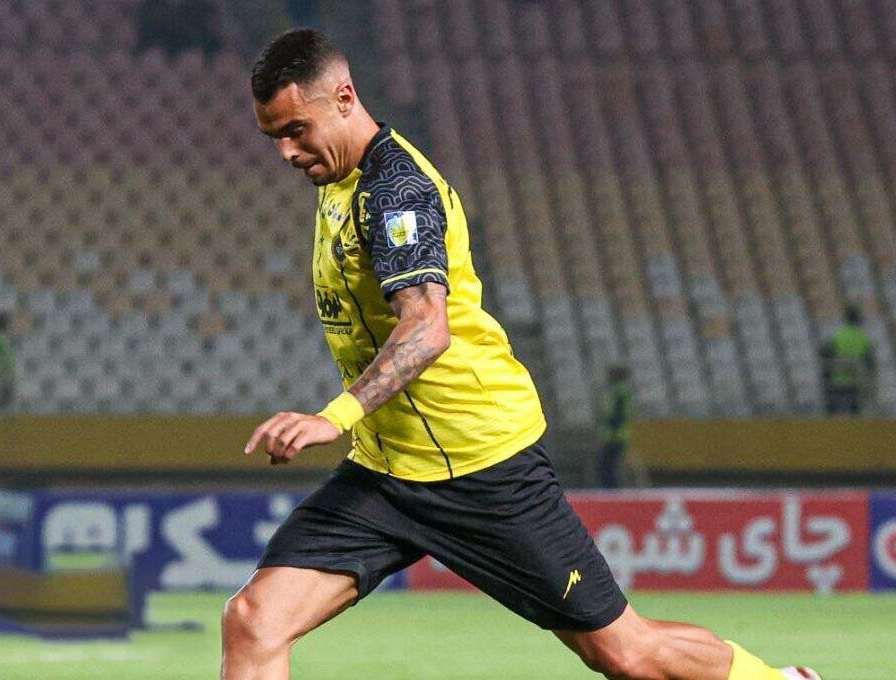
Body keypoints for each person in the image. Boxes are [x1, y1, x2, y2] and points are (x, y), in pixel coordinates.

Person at [225, 29, 822, 680]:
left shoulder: (395, 191)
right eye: (273, 137)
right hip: (388, 471)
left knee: (627, 655)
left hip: (482, 467)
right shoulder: (338, 177)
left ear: (345, 97)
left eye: (296, 130)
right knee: (254, 620)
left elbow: (426, 329)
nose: (286, 151)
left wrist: (332, 417)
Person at [820, 305, 874, 416]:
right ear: (858, 319)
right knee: (855, 412)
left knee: (833, 411)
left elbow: (825, 354)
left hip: (837, 380)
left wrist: (827, 376)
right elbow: (870, 361)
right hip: (856, 381)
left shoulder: (838, 336)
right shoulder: (864, 338)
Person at [598, 365, 632, 489]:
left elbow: (617, 414)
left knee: (606, 465)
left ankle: (610, 490)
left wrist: (610, 426)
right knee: (609, 465)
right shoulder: (619, 391)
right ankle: (611, 489)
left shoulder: (619, 392)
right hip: (618, 434)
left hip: (615, 435)